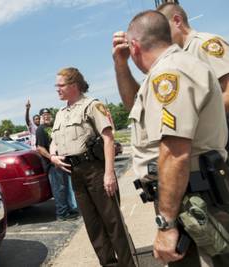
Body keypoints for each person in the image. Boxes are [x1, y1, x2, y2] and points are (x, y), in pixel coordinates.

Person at [116, 10, 229, 266]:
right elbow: (132, 103)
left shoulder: (170, 73)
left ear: (134, 46)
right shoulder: (168, 69)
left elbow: (174, 152)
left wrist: (165, 224)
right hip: (187, 195)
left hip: (192, 201)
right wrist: (120, 66)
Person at [50, 67, 135, 267]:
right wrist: (53, 155)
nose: (57, 89)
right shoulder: (61, 113)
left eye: (60, 85)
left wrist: (109, 173)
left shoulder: (92, 105)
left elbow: (108, 139)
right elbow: (54, 140)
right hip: (75, 173)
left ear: (74, 85)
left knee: (113, 223)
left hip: (95, 169)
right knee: (93, 226)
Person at [113, 3, 229, 111]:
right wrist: (121, 64)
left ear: (177, 21)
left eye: (164, 27)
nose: (159, 34)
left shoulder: (203, 44)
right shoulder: (171, 60)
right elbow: (137, 106)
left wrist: (193, 120)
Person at [36, 108, 78, 221]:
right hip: (52, 165)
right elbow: (40, 148)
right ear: (40, 117)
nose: (46, 116)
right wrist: (52, 158)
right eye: (44, 115)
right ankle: (62, 213)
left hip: (63, 161)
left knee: (68, 187)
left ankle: (71, 209)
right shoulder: (40, 129)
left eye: (48, 114)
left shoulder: (54, 127)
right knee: (59, 189)